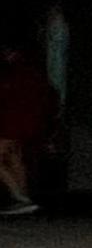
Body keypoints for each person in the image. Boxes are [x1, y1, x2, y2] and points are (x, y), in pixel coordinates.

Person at [0, 43, 53, 217]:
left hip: (12, 122)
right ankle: (23, 199)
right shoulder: (33, 72)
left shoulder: (14, 73)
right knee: (15, 158)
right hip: (28, 123)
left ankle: (20, 198)